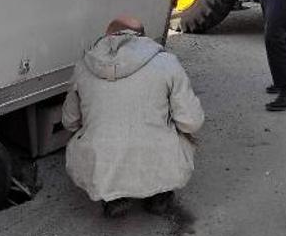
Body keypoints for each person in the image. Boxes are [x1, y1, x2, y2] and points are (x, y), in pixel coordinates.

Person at [62, 16, 204, 217]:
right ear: (142, 37)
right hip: (155, 153)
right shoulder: (167, 64)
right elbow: (192, 121)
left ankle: (113, 196)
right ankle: (159, 195)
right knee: (179, 133)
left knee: (89, 136)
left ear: (107, 37)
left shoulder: (83, 66)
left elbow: (69, 122)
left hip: (102, 160)